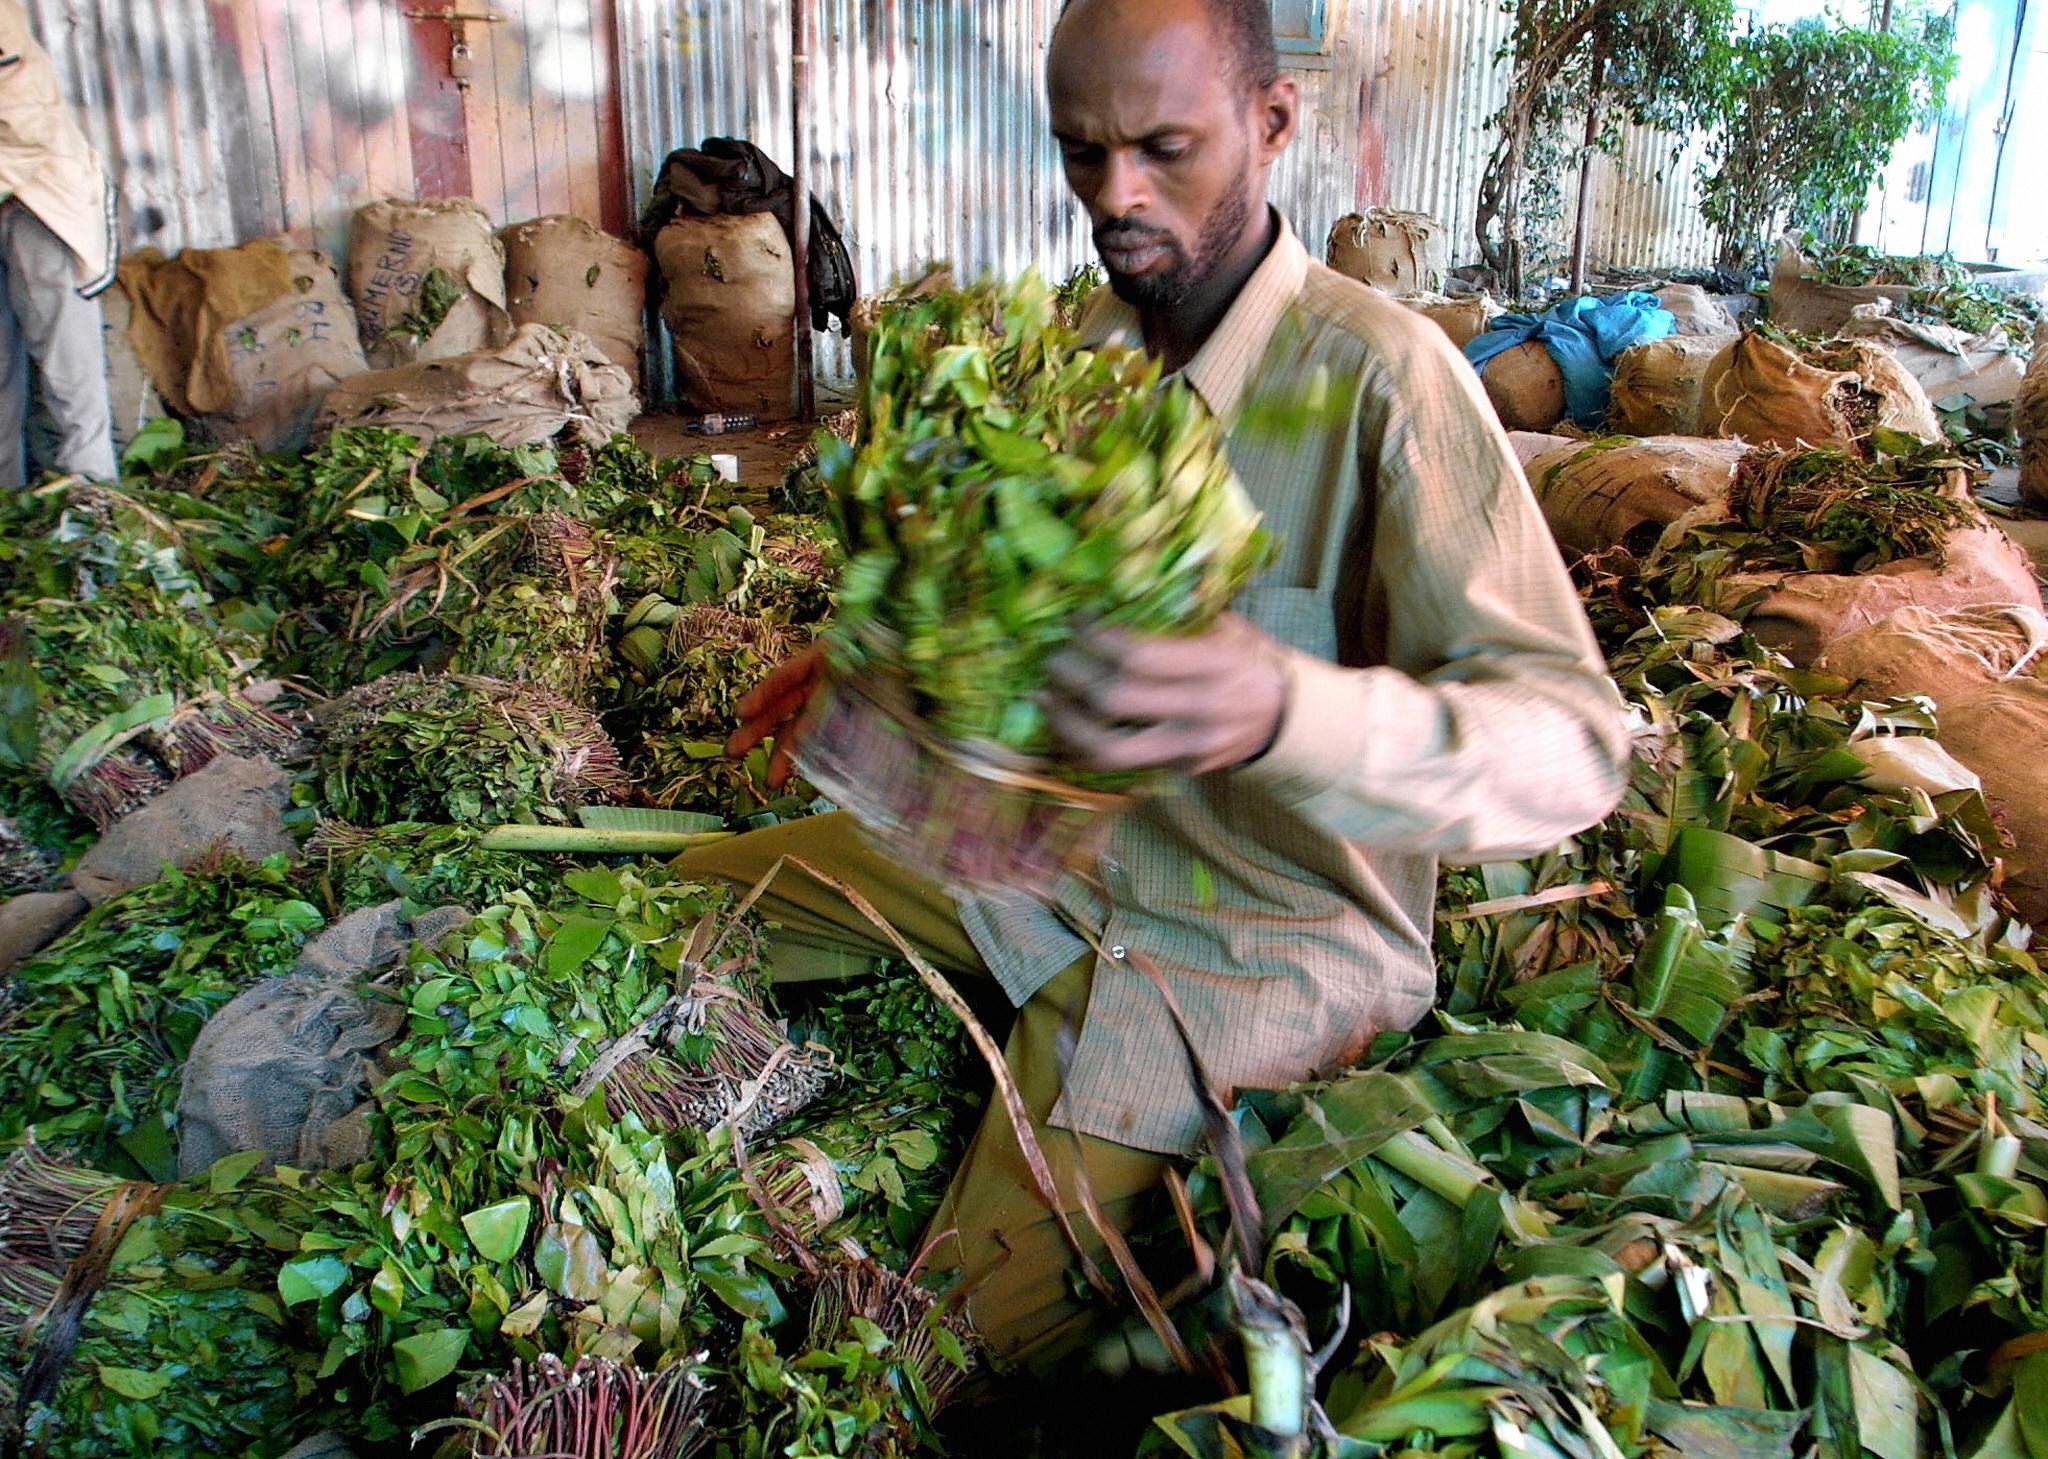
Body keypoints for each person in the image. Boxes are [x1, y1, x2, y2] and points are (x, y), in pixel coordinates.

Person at [681, 0, 1630, 1372]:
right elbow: (1012, 619)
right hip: (1032, 862)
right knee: (688, 911)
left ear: (1272, 123)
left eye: (1163, 150)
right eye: (1081, 152)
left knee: (924, 1345)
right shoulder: (1073, 350)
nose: (1115, 198)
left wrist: (1287, 708)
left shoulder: (1381, 381)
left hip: (1252, 943)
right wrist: (879, 664)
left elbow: (1574, 750)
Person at [0, 0, 117, 488]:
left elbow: (26, 120)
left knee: (71, 377)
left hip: (38, 203)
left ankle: (95, 522)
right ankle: (9, 517)